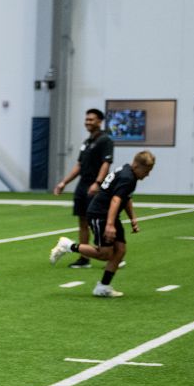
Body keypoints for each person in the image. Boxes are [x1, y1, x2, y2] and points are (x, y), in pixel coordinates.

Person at [50, 151, 155, 298]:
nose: (148, 174)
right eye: (147, 171)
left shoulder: (129, 172)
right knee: (105, 254)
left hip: (109, 215)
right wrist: (110, 225)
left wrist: (133, 219)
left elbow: (126, 198)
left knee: (120, 250)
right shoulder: (128, 177)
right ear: (137, 165)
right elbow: (115, 200)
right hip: (100, 214)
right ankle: (67, 245)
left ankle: (103, 287)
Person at [53, 108, 114, 269]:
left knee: (97, 223)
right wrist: (64, 182)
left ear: (99, 121)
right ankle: (84, 258)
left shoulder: (105, 140)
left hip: (94, 187)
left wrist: (98, 183)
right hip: (82, 186)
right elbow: (79, 165)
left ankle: (112, 256)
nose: (88, 122)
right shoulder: (86, 142)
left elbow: (106, 163)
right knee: (83, 221)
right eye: (86, 119)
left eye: (91, 119)